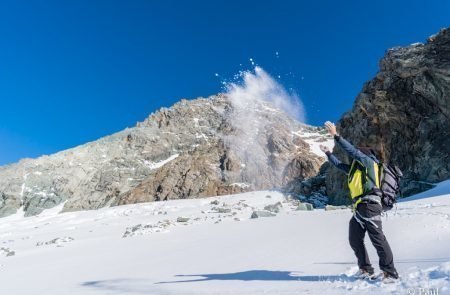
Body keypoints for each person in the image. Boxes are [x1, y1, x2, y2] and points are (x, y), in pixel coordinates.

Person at [320, 121, 399, 280]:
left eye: (359, 153)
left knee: (378, 239)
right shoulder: (355, 169)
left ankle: (390, 272)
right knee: (355, 239)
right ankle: (365, 269)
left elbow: (352, 151)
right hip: (359, 208)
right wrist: (328, 153)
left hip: (370, 205)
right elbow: (339, 165)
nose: (356, 156)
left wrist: (336, 136)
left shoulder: (369, 163)